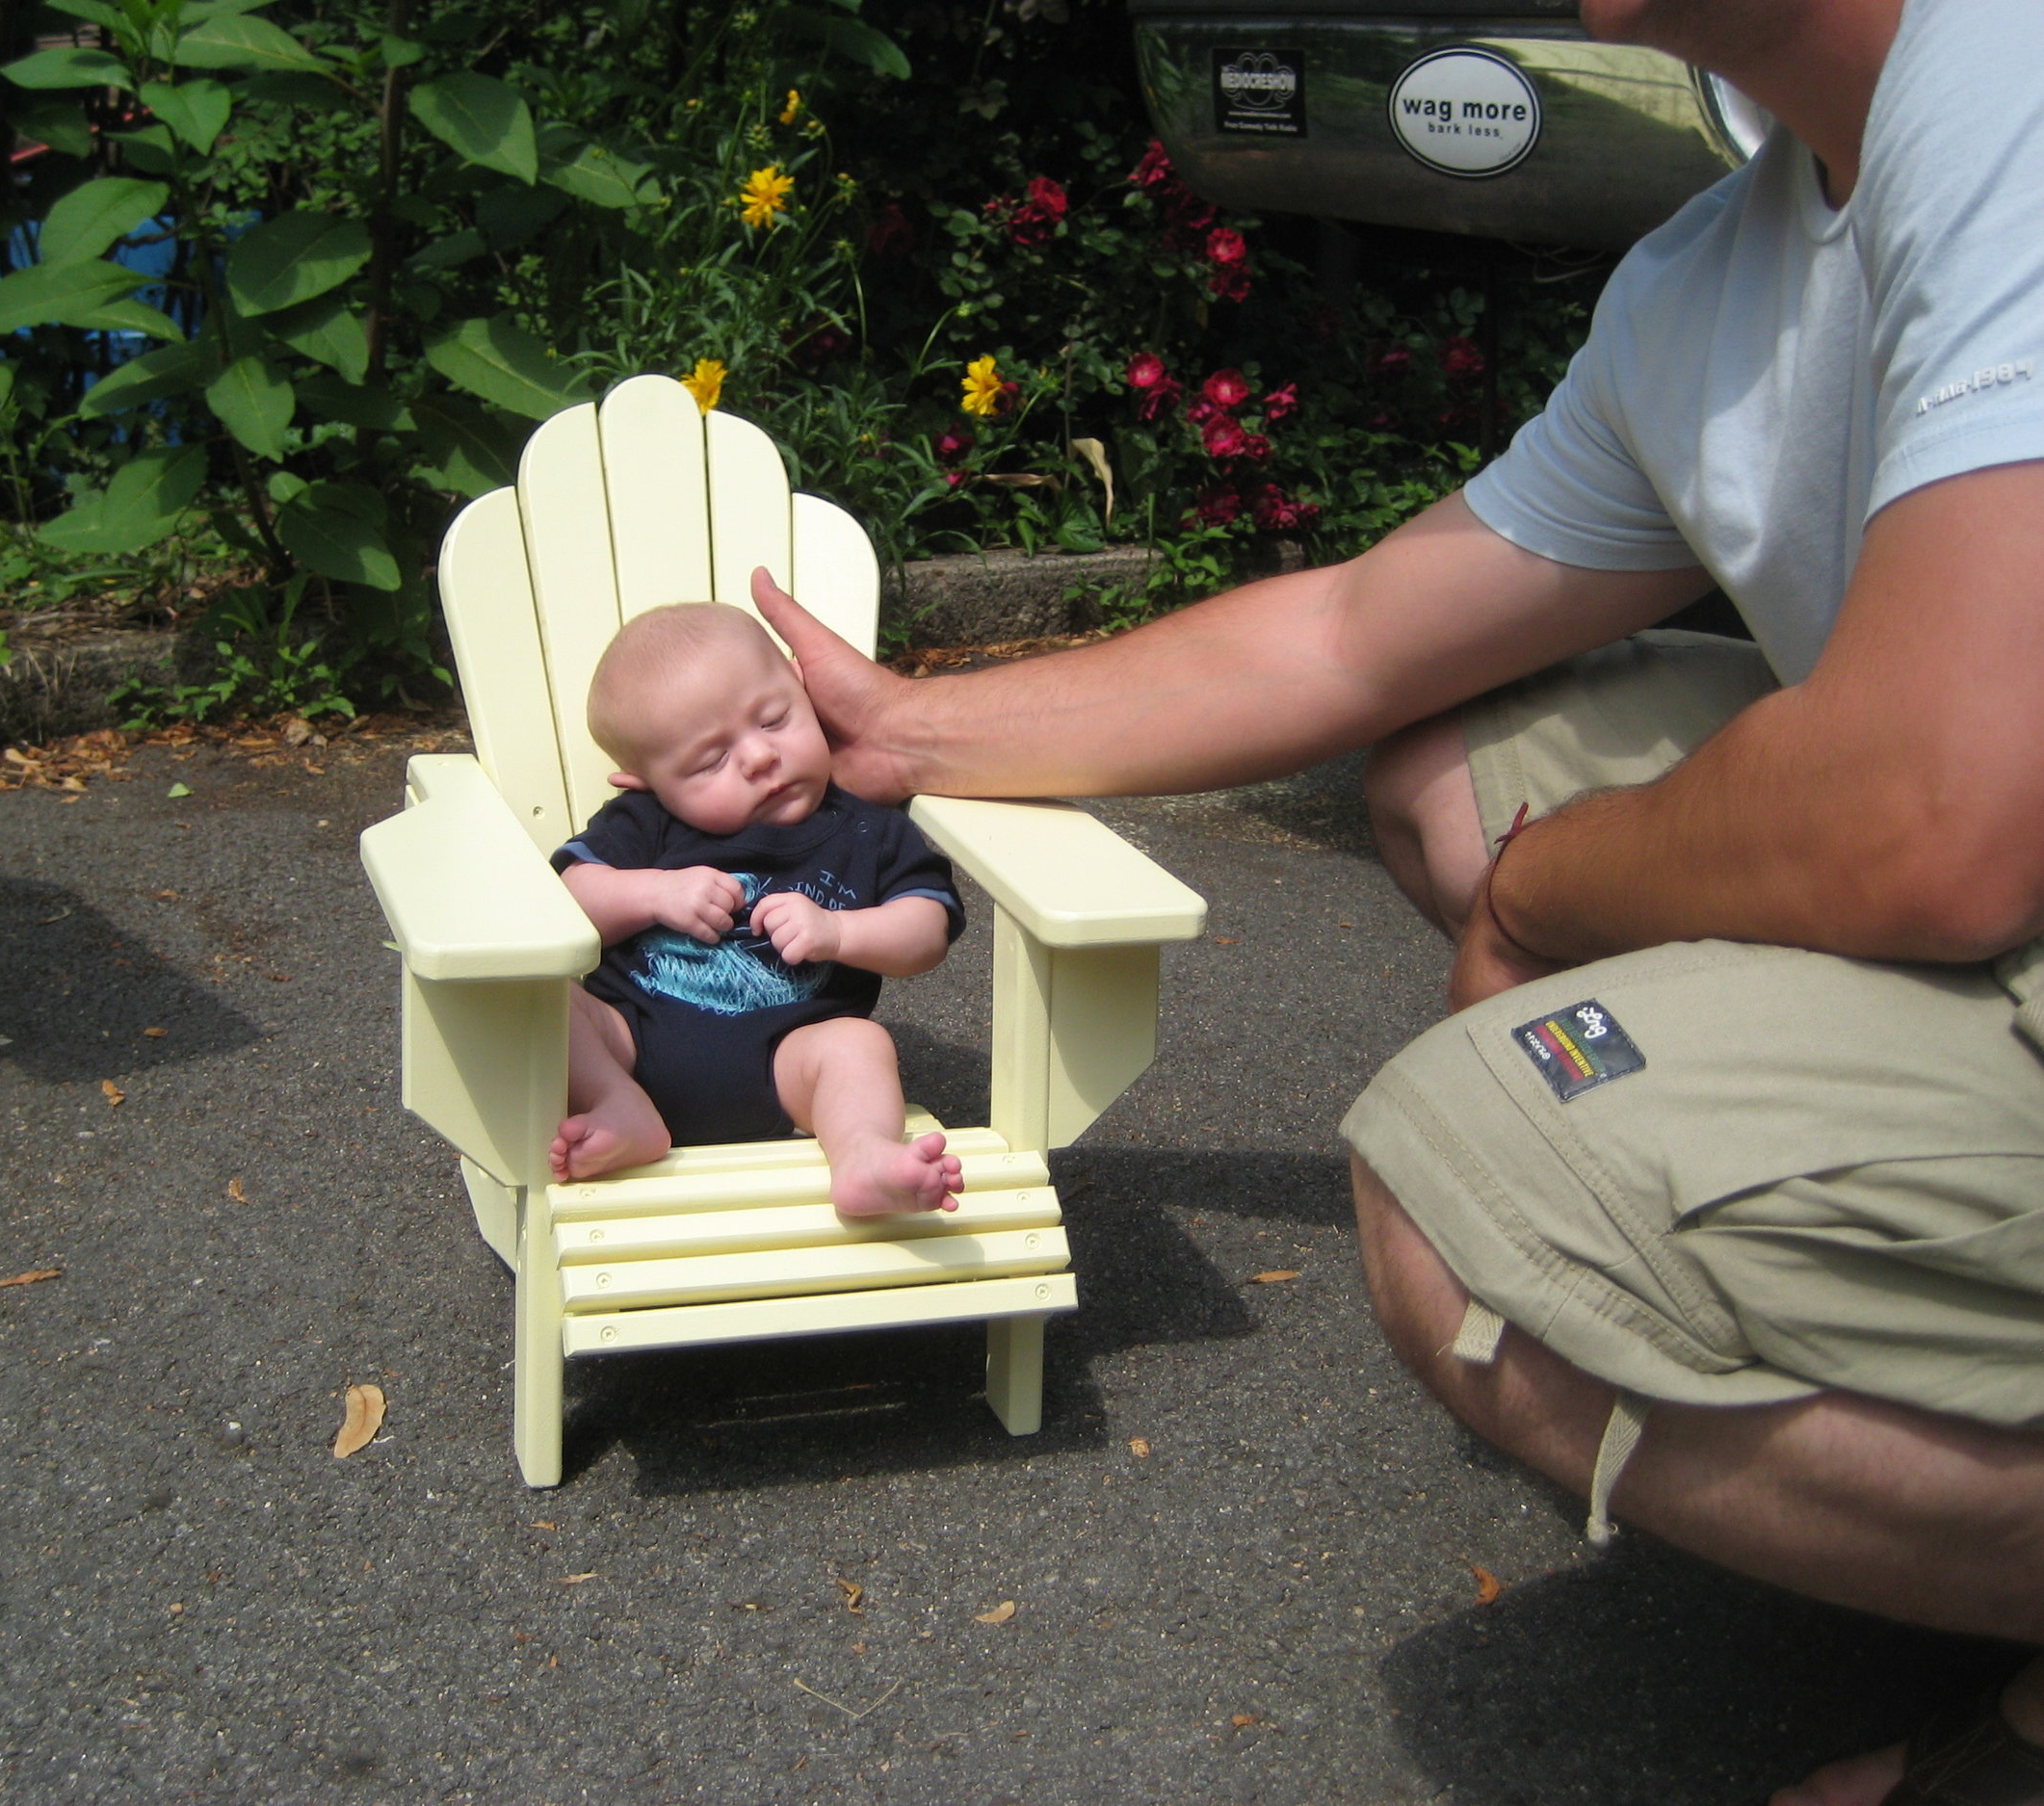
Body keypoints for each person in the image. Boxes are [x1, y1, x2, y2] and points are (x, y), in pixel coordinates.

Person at [748, 1, 2044, 1798]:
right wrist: (904, 730)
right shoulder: (1723, 273)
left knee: (1466, 1216)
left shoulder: (2013, 76)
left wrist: (1550, 896)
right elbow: (1363, 632)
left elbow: (1938, 812)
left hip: (1991, 842)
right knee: (1456, 761)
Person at [545, 601, 968, 1219]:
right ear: (643, 782)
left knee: (858, 1044)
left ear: (802, 685)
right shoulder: (646, 826)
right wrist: (653, 893)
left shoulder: (867, 832)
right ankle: (620, 1108)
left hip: (788, 1064)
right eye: (710, 761)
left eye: (774, 720)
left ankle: (862, 1156)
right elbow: (567, 899)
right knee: (546, 1002)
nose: (758, 758)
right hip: (630, 1044)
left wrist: (839, 930)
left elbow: (926, 930)